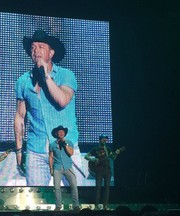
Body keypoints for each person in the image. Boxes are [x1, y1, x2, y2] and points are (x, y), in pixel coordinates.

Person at [14, 29, 85, 186]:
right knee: (37, 200)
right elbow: (20, 116)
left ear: (51, 52)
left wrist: (46, 76)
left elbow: (62, 100)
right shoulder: (23, 81)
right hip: (36, 151)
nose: (36, 51)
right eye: (33, 47)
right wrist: (19, 151)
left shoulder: (66, 75)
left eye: (41, 47)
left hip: (65, 150)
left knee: (76, 200)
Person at [49, 125, 81, 211]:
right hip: (57, 167)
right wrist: (51, 168)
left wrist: (65, 144)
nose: (61, 133)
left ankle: (76, 205)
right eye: (59, 131)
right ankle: (58, 206)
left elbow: (71, 153)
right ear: (56, 133)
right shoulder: (52, 144)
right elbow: (51, 157)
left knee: (74, 186)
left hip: (68, 167)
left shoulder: (69, 142)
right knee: (56, 187)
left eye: (63, 132)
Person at [84, 134, 120, 210]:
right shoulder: (95, 149)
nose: (105, 140)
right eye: (103, 139)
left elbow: (113, 158)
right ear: (100, 140)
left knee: (107, 188)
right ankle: (96, 205)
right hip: (99, 170)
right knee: (98, 187)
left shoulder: (108, 149)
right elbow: (86, 156)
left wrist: (116, 153)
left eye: (105, 139)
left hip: (107, 170)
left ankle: (105, 206)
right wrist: (93, 159)